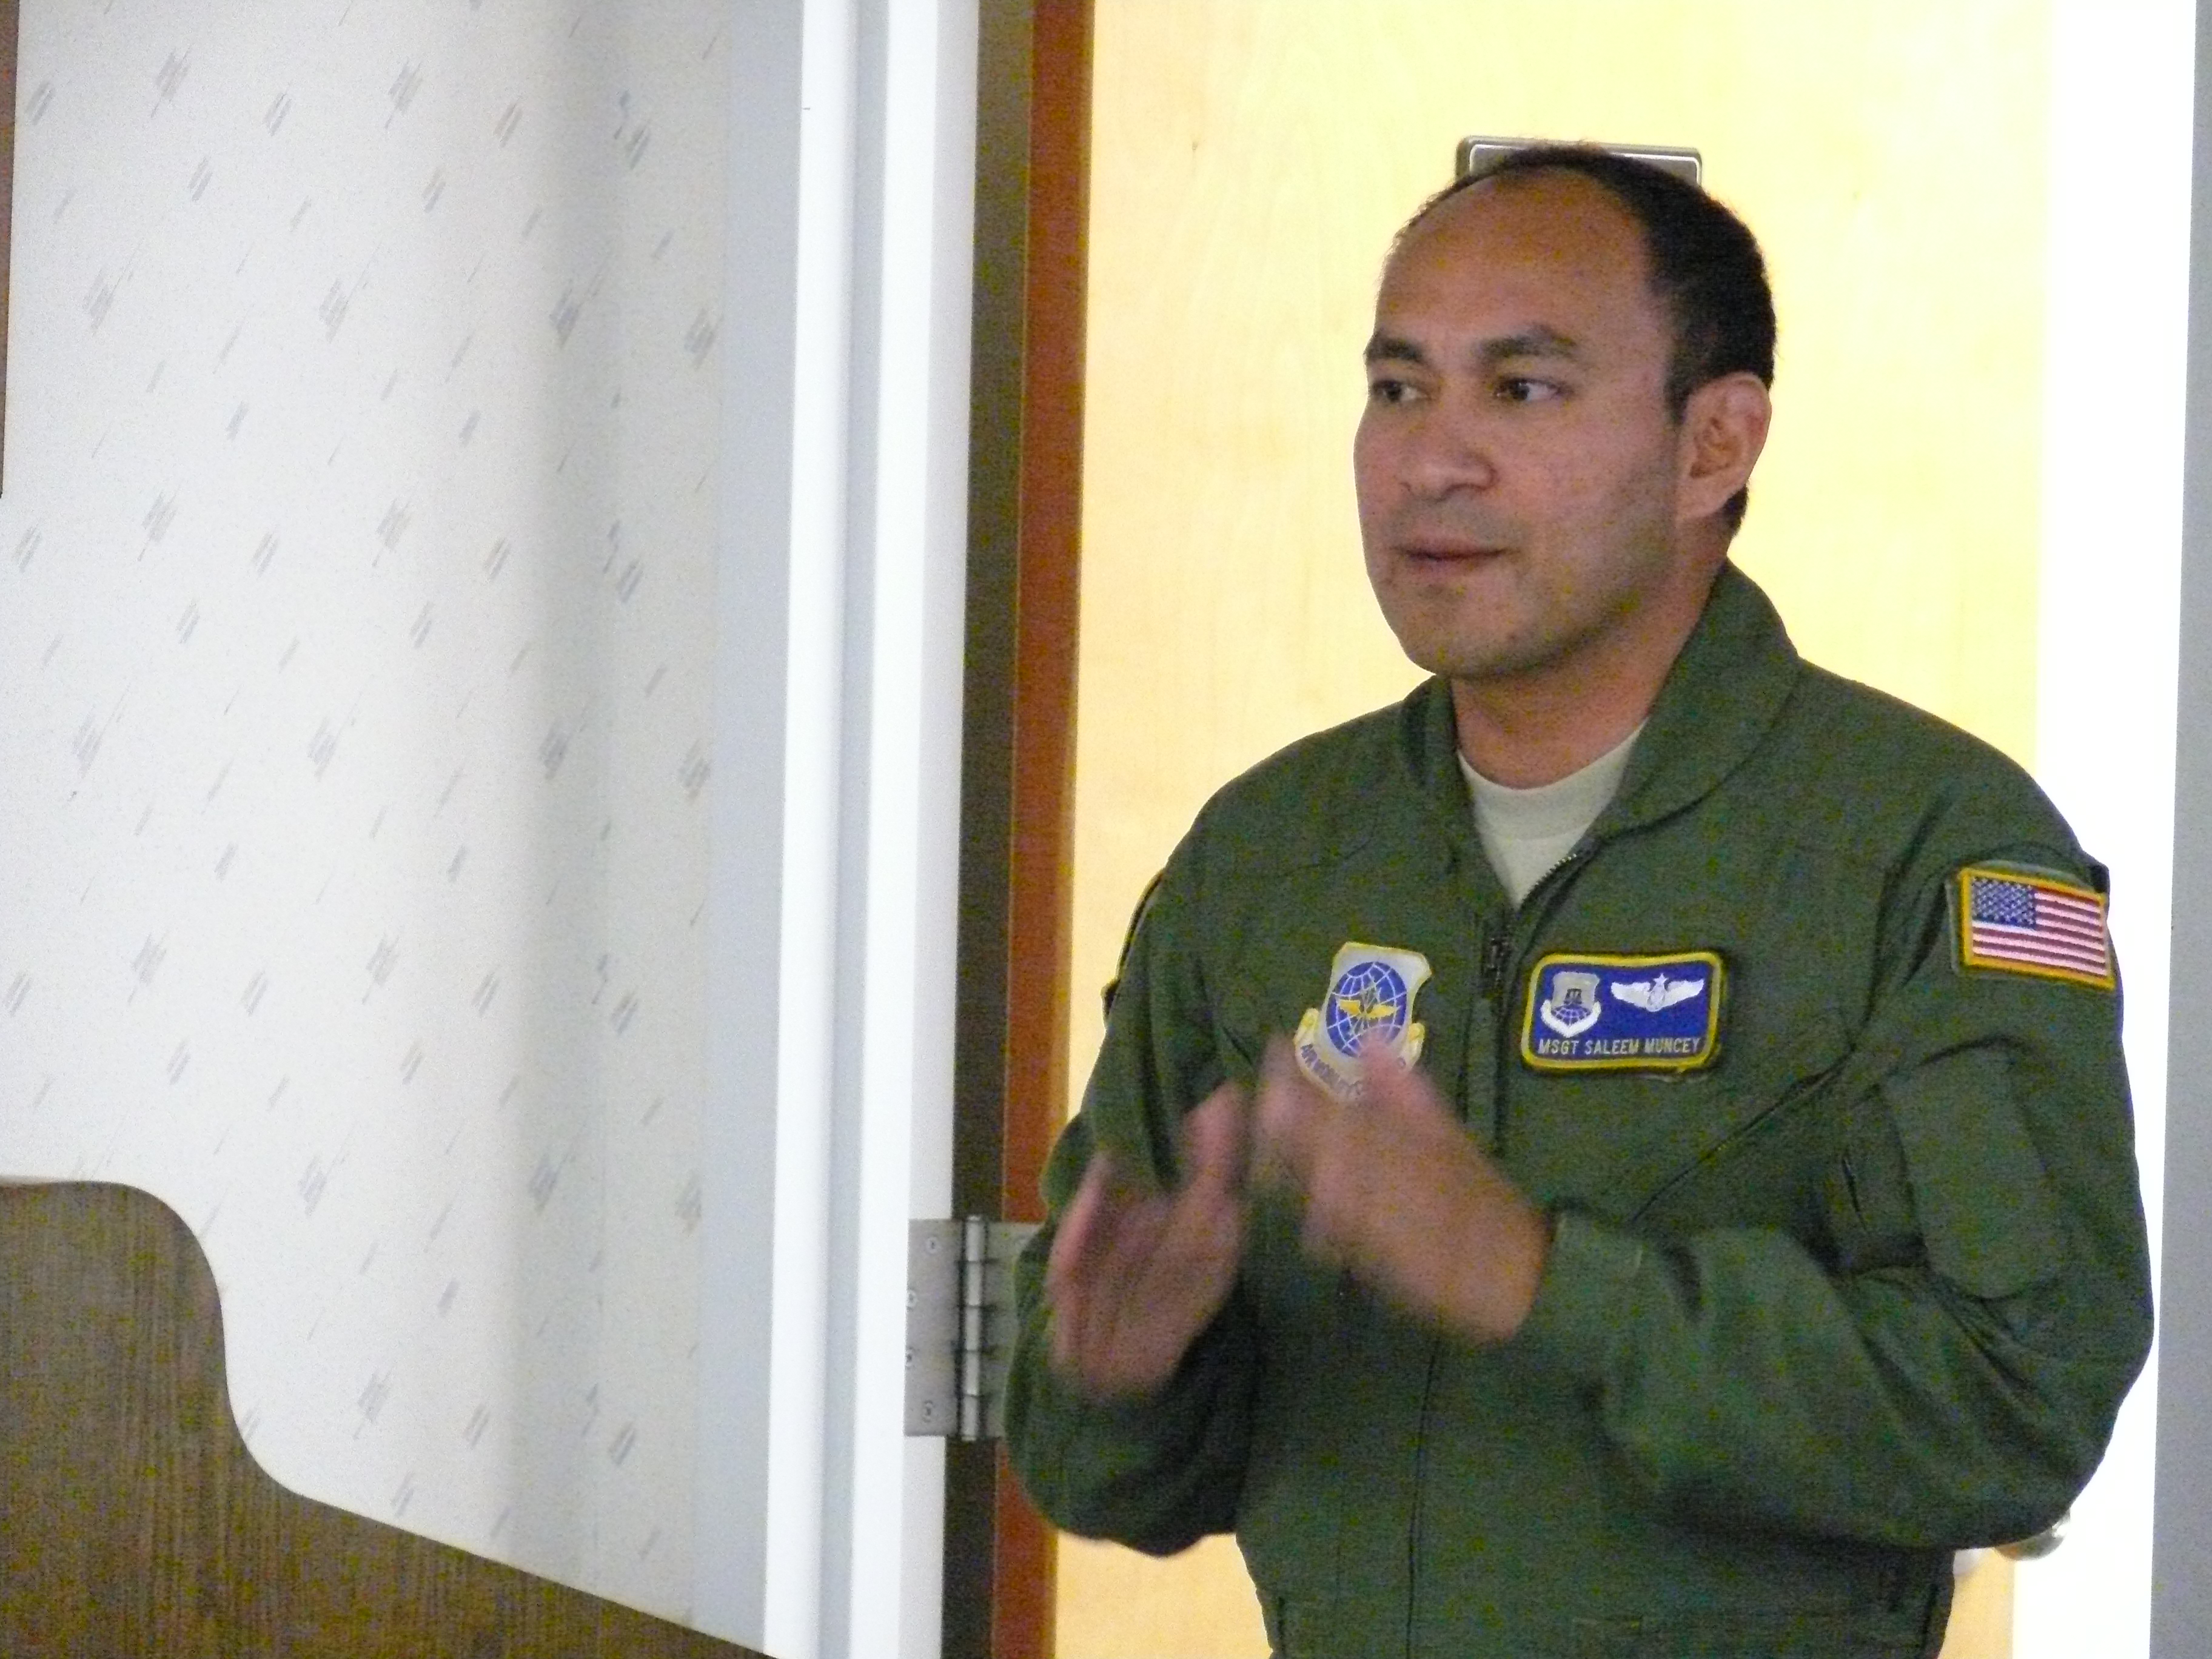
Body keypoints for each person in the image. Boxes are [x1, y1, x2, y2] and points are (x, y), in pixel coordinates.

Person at [1002, 146, 2154, 1658]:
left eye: (1523, 389)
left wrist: (1550, 1285)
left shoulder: (1925, 849)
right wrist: (1120, 1374)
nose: (1432, 461)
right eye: (1399, 387)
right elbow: (1097, 1474)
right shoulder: (1270, 857)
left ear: (1713, 444)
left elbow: (2019, 1409)